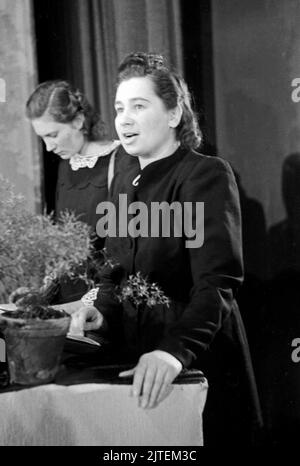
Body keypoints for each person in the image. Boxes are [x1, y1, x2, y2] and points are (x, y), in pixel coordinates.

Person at [71, 53, 263, 445]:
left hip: (194, 365)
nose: (124, 119)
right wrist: (100, 311)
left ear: (174, 114)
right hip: (136, 368)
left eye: (139, 107)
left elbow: (217, 284)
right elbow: (115, 274)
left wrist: (173, 353)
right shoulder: (124, 184)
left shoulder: (205, 174)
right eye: (120, 108)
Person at [25, 80, 126, 303]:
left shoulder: (121, 161)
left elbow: (123, 254)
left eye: (52, 135)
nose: (49, 147)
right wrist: (43, 295)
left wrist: (89, 304)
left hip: (103, 302)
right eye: (42, 138)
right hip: (68, 298)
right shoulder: (66, 165)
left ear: (79, 121)